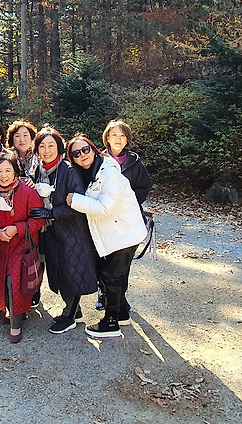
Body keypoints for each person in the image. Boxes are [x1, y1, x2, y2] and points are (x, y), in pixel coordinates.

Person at [63, 134, 148, 339]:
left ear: (94, 150)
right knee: (113, 276)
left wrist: (75, 200)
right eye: (76, 153)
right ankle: (121, 313)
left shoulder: (109, 173)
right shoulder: (89, 173)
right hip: (115, 233)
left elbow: (105, 207)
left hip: (124, 233)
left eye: (86, 149)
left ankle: (110, 323)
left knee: (111, 277)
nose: (82, 155)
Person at [34, 127, 99, 334]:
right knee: (59, 271)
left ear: (59, 148)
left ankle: (69, 315)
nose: (46, 151)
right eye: (42, 146)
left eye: (51, 146)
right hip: (51, 231)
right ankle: (74, 311)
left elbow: (77, 202)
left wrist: (51, 213)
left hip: (72, 230)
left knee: (71, 270)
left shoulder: (68, 170)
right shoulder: (39, 170)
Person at [96, 119, 153, 319]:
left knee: (122, 263)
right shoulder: (99, 159)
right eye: (114, 135)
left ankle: (121, 298)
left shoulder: (134, 163)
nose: (118, 139)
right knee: (103, 260)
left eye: (122, 135)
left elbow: (144, 186)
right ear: (107, 138)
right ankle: (104, 294)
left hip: (126, 220)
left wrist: (126, 205)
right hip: (104, 218)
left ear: (127, 139)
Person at [0, 151, 43, 343]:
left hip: (22, 246)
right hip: (0, 247)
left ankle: (16, 323)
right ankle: (5, 310)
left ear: (15, 171)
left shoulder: (27, 191)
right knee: (0, 281)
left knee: (15, 282)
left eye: (7, 170)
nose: (3, 175)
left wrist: (17, 229)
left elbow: (38, 220)